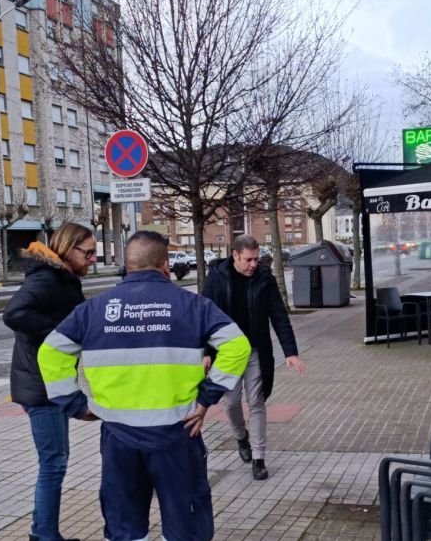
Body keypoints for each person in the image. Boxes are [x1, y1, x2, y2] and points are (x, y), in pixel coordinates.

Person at [38, 231, 250, 541]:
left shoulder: (95, 309)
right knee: (185, 524)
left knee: (124, 526)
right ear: (165, 265)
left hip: (118, 437)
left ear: (128, 264)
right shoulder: (192, 305)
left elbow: (51, 351)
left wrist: (76, 405)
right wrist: (207, 398)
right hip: (177, 433)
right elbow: (237, 346)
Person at [2, 222, 98, 541]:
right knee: (53, 464)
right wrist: (60, 332)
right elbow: (14, 314)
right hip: (40, 387)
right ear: (68, 249)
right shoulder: (48, 279)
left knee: (55, 462)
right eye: (88, 253)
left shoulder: (62, 279)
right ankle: (43, 536)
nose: (93, 259)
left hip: (48, 382)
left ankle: (43, 532)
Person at [202, 234, 305, 481]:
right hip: (226, 354)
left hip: (256, 350)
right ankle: (241, 437)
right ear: (235, 255)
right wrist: (205, 353)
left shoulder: (264, 278)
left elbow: (279, 315)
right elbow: (204, 316)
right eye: (248, 259)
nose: (253, 265)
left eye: (256, 259)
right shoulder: (216, 277)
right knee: (231, 402)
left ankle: (259, 458)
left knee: (257, 401)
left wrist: (290, 352)